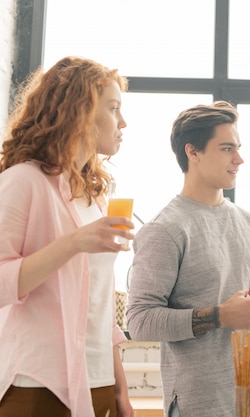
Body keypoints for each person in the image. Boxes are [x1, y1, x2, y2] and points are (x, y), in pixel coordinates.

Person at [126, 101, 250, 417]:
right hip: (200, 405)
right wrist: (222, 316)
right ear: (192, 152)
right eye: (227, 149)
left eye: (237, 148)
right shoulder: (165, 229)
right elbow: (139, 321)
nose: (239, 159)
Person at [0, 56, 135, 417]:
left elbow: (99, 303)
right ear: (81, 112)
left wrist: (120, 389)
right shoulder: (23, 181)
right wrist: (73, 243)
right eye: (113, 108)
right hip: (38, 383)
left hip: (99, 382)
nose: (123, 122)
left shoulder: (95, 196)